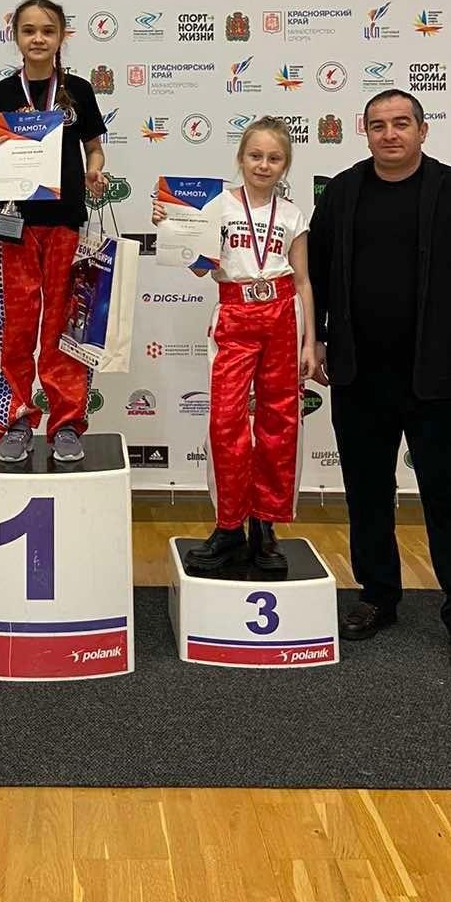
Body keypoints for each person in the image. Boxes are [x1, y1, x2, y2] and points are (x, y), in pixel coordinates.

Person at [306, 89, 451, 675]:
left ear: (423, 130)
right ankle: (378, 596)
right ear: (365, 132)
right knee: (367, 493)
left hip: (438, 377)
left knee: (450, 497)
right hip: (358, 375)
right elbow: (313, 274)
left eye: (401, 123)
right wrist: (316, 338)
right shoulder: (342, 192)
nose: (389, 134)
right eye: (378, 125)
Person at [153, 118, 316, 574]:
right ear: (240, 158)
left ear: (286, 164)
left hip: (282, 315)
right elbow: (199, 266)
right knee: (226, 421)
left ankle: (265, 525)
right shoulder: (215, 205)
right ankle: (228, 526)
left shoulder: (292, 214)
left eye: (274, 158)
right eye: (255, 156)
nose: (264, 165)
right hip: (234, 312)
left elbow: (303, 280)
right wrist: (174, 227)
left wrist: (310, 341)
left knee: (280, 423)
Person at [0, 0, 108, 462]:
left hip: (66, 223)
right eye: (29, 30)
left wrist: (95, 170)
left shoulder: (78, 91)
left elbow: (95, 149)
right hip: (17, 224)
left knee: (63, 327)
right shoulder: (1, 93)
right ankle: (15, 419)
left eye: (48, 31)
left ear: (61, 37)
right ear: (15, 36)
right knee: (15, 327)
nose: (38, 38)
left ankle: (67, 423)